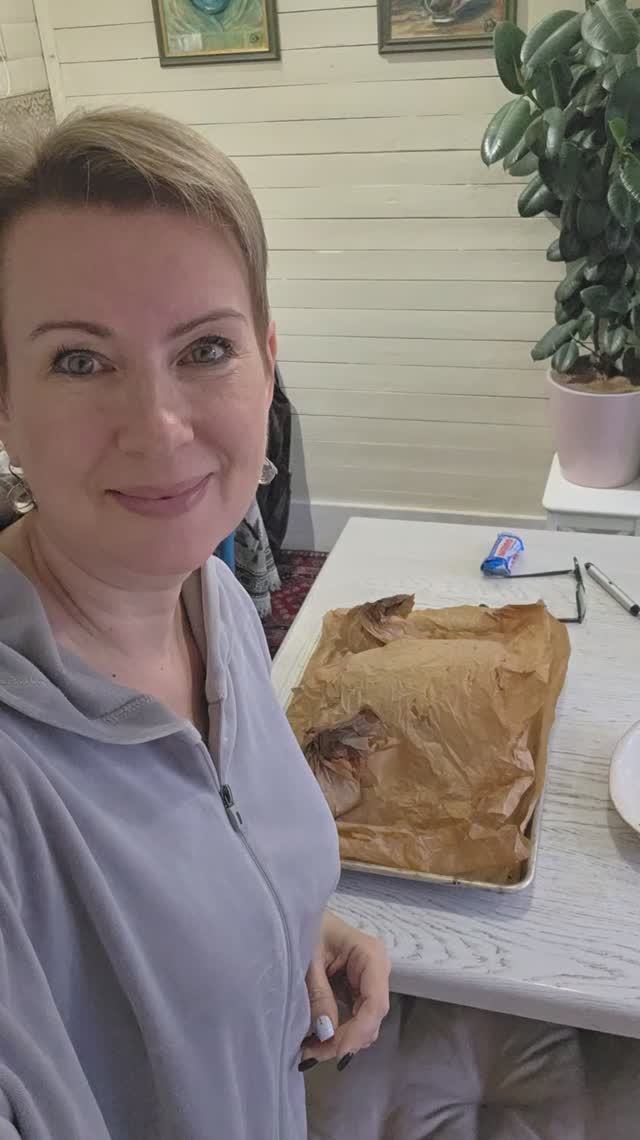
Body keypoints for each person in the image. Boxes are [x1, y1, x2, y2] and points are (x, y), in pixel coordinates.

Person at [0, 107, 390, 1140]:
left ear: (267, 362)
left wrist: (290, 923)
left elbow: (206, 837)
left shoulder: (212, 601)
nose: (161, 428)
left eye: (206, 348)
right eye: (79, 361)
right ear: (3, 402)